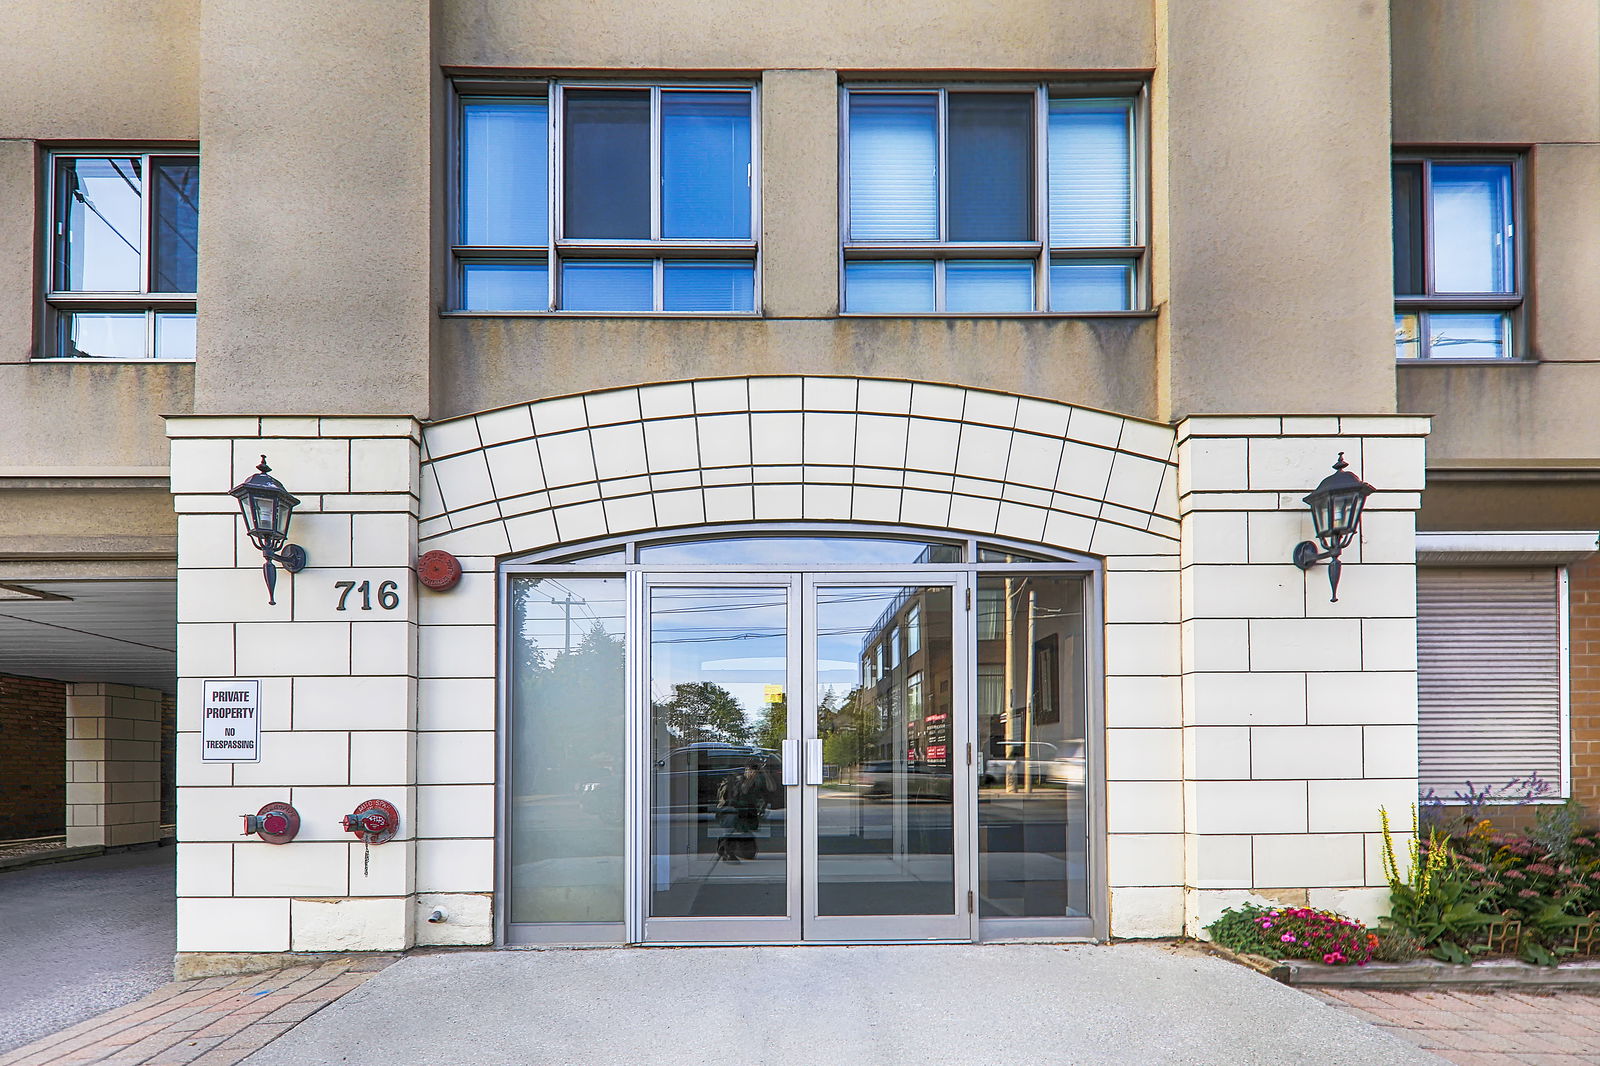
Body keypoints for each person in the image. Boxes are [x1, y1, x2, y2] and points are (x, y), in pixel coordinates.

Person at [715, 758, 776, 863]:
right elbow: (743, 790)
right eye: (749, 769)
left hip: (749, 814)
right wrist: (750, 779)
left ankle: (733, 843)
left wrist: (764, 772)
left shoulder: (759, 778)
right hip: (735, 812)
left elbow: (772, 788)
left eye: (754, 769)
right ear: (745, 769)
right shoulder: (739, 779)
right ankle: (726, 847)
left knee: (749, 854)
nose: (751, 772)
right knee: (735, 831)